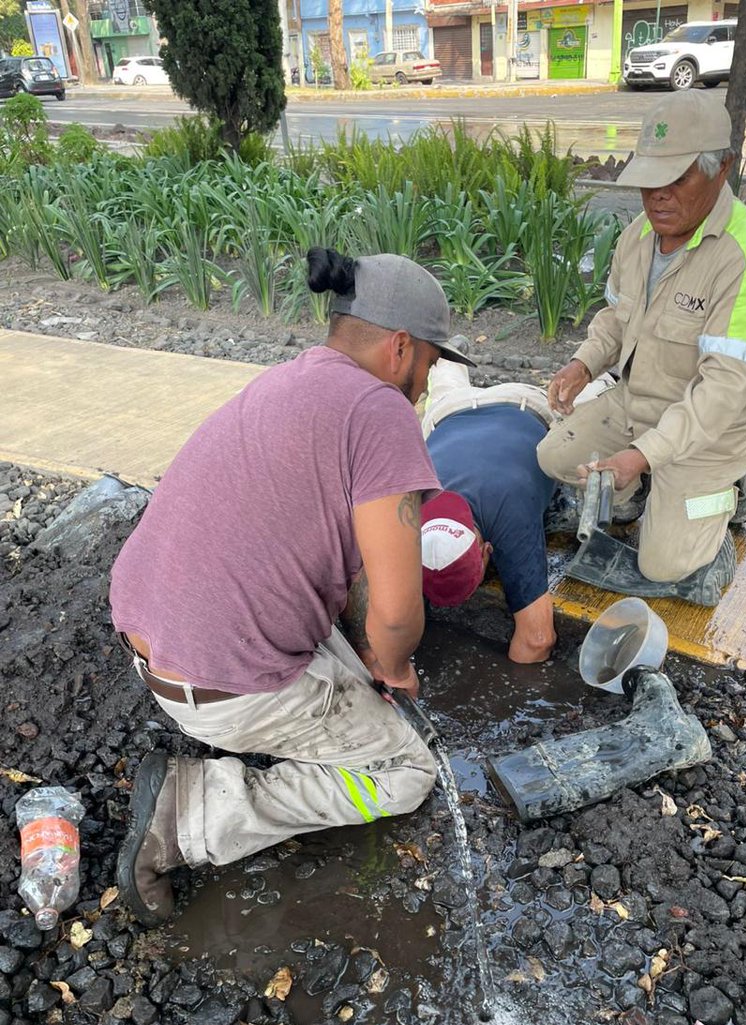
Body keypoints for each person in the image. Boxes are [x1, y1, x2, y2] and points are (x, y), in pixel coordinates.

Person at [110, 247, 477, 928]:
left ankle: (261, 726)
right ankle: (190, 817)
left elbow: (340, 562)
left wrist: (365, 657)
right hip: (218, 685)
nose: (424, 385)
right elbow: (398, 610)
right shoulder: (381, 411)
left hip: (153, 636)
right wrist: (393, 662)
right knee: (406, 773)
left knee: (358, 680)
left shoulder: (291, 381)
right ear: (401, 348)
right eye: (429, 364)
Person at [537, 90, 746, 606]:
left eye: (677, 179)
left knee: (665, 566)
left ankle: (729, 496)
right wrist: (583, 363)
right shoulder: (637, 237)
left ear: (722, 169)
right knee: (554, 455)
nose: (658, 196)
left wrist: (641, 455)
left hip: (712, 432)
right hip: (641, 403)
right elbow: (616, 316)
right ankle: (640, 497)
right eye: (650, 180)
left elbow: (722, 393)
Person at [417, 356, 562, 663]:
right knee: (444, 391)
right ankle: (446, 361)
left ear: (488, 550)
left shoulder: (512, 513)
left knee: (584, 407)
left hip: (526, 406)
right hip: (449, 413)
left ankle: (605, 382)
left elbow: (539, 640)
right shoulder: (408, 503)